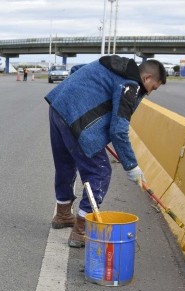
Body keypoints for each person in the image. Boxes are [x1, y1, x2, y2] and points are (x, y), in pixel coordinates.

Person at [45, 56, 166, 247]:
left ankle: (62, 214)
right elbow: (118, 130)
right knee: (99, 172)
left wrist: (82, 98)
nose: (150, 93)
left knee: (65, 164)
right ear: (147, 78)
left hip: (58, 107)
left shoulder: (112, 64)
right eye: (153, 88)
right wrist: (131, 166)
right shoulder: (130, 85)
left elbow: (77, 69)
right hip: (76, 121)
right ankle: (81, 230)